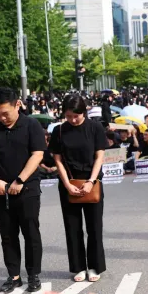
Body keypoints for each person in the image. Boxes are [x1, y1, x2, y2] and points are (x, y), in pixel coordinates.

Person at [0, 87, 46, 294]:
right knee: (7, 234)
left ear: (18, 105)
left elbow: (37, 155)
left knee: (30, 232)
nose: (1, 117)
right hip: (0, 189)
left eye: (5, 112)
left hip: (27, 187)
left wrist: (20, 180)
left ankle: (33, 274)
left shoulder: (31, 124)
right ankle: (14, 275)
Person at [50, 94, 108, 283]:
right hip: (69, 183)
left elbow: (99, 156)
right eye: (68, 116)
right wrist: (67, 184)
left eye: (77, 115)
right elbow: (57, 159)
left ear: (84, 111)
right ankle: (78, 267)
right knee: (72, 227)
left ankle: (94, 266)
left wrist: (91, 180)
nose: (73, 120)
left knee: (94, 227)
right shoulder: (58, 131)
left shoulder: (95, 128)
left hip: (92, 182)